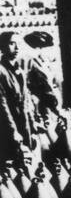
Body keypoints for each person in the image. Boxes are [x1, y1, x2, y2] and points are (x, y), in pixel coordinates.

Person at [0, 31, 37, 164]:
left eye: (18, 44)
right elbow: (2, 106)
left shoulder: (19, 71)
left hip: (23, 124)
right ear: (2, 47)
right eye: (11, 43)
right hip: (8, 129)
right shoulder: (1, 72)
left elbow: (26, 101)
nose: (16, 48)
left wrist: (32, 125)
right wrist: (13, 132)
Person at [21, 31, 61, 113]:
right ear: (39, 48)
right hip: (40, 100)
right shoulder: (31, 61)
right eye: (46, 47)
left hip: (52, 97)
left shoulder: (45, 62)